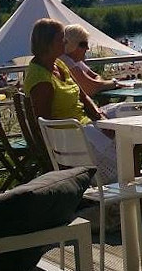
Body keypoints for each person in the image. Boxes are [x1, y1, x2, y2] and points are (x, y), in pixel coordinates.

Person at [23, 19, 118, 184]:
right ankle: (128, 187)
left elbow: (82, 95)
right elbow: (45, 123)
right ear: (48, 43)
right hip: (71, 136)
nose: (65, 43)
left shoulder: (58, 64)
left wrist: (100, 118)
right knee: (122, 142)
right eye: (61, 39)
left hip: (82, 125)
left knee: (124, 117)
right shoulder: (41, 79)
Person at [59, 24, 121, 97]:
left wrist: (98, 84)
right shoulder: (65, 60)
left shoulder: (75, 61)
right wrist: (114, 82)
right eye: (84, 44)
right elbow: (91, 88)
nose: (87, 48)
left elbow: (95, 77)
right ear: (73, 45)